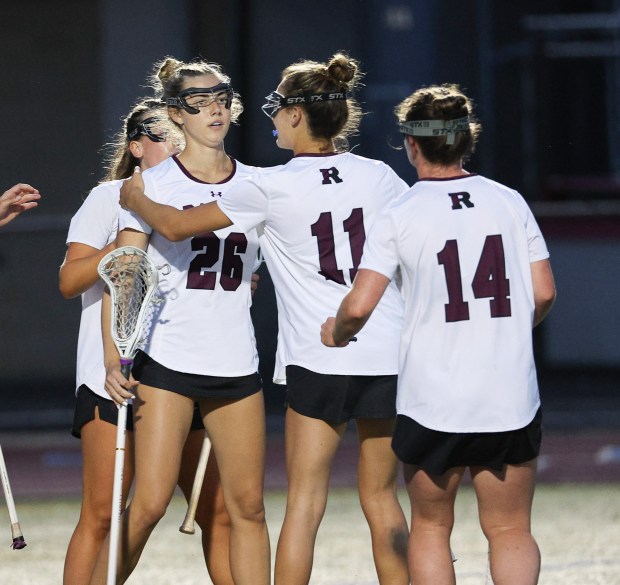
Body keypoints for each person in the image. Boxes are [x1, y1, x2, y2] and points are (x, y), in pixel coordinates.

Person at [119, 52, 410, 585]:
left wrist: (136, 197)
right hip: (387, 349)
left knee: (297, 504)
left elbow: (180, 228)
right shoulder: (381, 175)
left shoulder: (267, 184)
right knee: (383, 498)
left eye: (277, 108)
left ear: (297, 116)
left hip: (312, 355)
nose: (268, 116)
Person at [321, 83, 557, 585]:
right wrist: (506, 333)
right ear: (466, 139)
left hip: (433, 397)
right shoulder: (509, 201)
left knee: (431, 526)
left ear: (412, 144)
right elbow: (542, 295)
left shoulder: (401, 213)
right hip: (507, 392)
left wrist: (336, 333)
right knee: (511, 526)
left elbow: (359, 306)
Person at [89, 58, 270, 585]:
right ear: (176, 114)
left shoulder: (256, 184)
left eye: (221, 97)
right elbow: (124, 274)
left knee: (249, 508)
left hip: (236, 361)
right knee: (148, 503)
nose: (214, 108)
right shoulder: (154, 183)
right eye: (197, 101)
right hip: (168, 358)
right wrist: (111, 354)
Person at [59, 98, 234, 585]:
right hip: (115, 375)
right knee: (104, 511)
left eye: (183, 138)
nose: (178, 147)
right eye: (165, 139)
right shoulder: (109, 198)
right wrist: (130, 241)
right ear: (137, 147)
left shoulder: (198, 200)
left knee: (215, 510)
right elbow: (70, 281)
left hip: (185, 369)